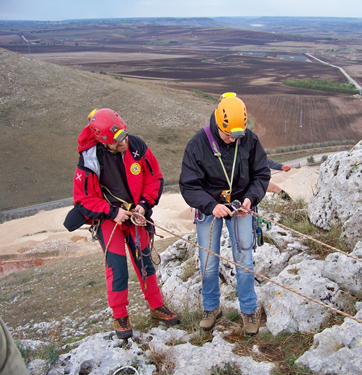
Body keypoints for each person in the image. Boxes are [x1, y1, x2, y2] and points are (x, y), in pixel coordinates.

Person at [63, 108, 179, 339]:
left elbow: (154, 177)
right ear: (103, 140)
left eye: (124, 135)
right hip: (110, 221)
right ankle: (120, 315)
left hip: (136, 216)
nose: (123, 142)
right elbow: (83, 199)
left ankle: (156, 307)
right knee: (117, 269)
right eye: (117, 140)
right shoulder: (89, 159)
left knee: (145, 262)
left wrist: (144, 205)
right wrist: (111, 211)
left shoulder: (137, 146)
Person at [179, 93, 270, 335]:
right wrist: (210, 206)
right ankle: (211, 308)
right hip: (209, 207)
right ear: (218, 124)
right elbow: (189, 185)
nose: (231, 139)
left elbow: (261, 174)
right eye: (227, 134)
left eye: (236, 135)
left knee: (244, 261)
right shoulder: (198, 144)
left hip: (241, 206)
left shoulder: (248, 140)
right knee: (208, 263)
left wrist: (251, 198)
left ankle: (249, 311)